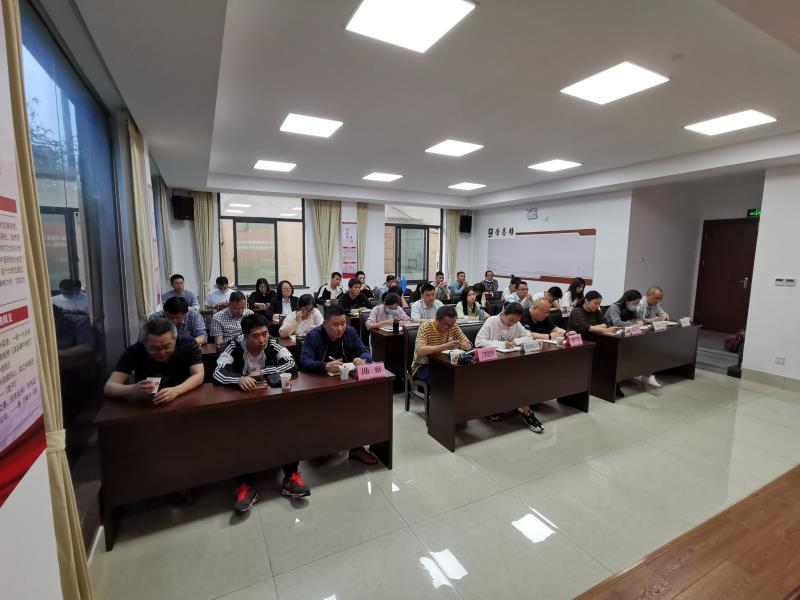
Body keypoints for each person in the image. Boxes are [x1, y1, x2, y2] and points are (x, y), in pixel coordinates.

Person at [213, 313, 309, 507]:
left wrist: (262, 372)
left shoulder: (272, 343)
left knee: (288, 426)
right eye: (255, 336)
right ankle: (245, 485)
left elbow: (291, 365)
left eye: (264, 334)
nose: (262, 340)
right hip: (241, 407)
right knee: (239, 435)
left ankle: (291, 476)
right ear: (245, 336)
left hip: (269, 403)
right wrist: (239, 379)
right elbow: (218, 372)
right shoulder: (233, 345)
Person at [298, 306, 376, 465]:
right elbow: (304, 361)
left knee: (361, 406)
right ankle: (327, 447)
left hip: (347, 383)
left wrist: (363, 359)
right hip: (321, 385)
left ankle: (356, 448)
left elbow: (365, 351)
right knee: (327, 412)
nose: (340, 328)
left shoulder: (350, 332)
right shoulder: (313, 336)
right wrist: (325, 366)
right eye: (335, 324)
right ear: (325, 324)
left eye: (343, 323)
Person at [475, 303, 544, 433]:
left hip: (509, 362)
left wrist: (515, 342)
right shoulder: (492, 321)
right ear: (503, 314)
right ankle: (526, 412)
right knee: (514, 378)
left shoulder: (515, 323)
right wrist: (502, 344)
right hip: (491, 365)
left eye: (516, 321)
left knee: (523, 376)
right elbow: (479, 342)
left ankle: (524, 409)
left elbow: (528, 336)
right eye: (511, 320)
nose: (513, 324)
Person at [104, 318, 203, 405]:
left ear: (175, 339)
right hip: (149, 403)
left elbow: (198, 375)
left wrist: (176, 390)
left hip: (184, 398)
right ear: (144, 343)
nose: (161, 353)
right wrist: (131, 389)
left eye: (166, 346)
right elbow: (109, 387)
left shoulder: (188, 343)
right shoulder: (134, 351)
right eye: (154, 348)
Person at [410, 305, 471, 385]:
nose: (450, 328)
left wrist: (464, 345)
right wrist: (446, 346)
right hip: (424, 366)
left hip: (445, 364)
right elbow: (420, 350)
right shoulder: (425, 327)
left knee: (465, 378)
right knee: (444, 382)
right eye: (446, 325)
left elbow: (468, 343)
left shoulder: (453, 326)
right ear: (437, 319)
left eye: (452, 325)